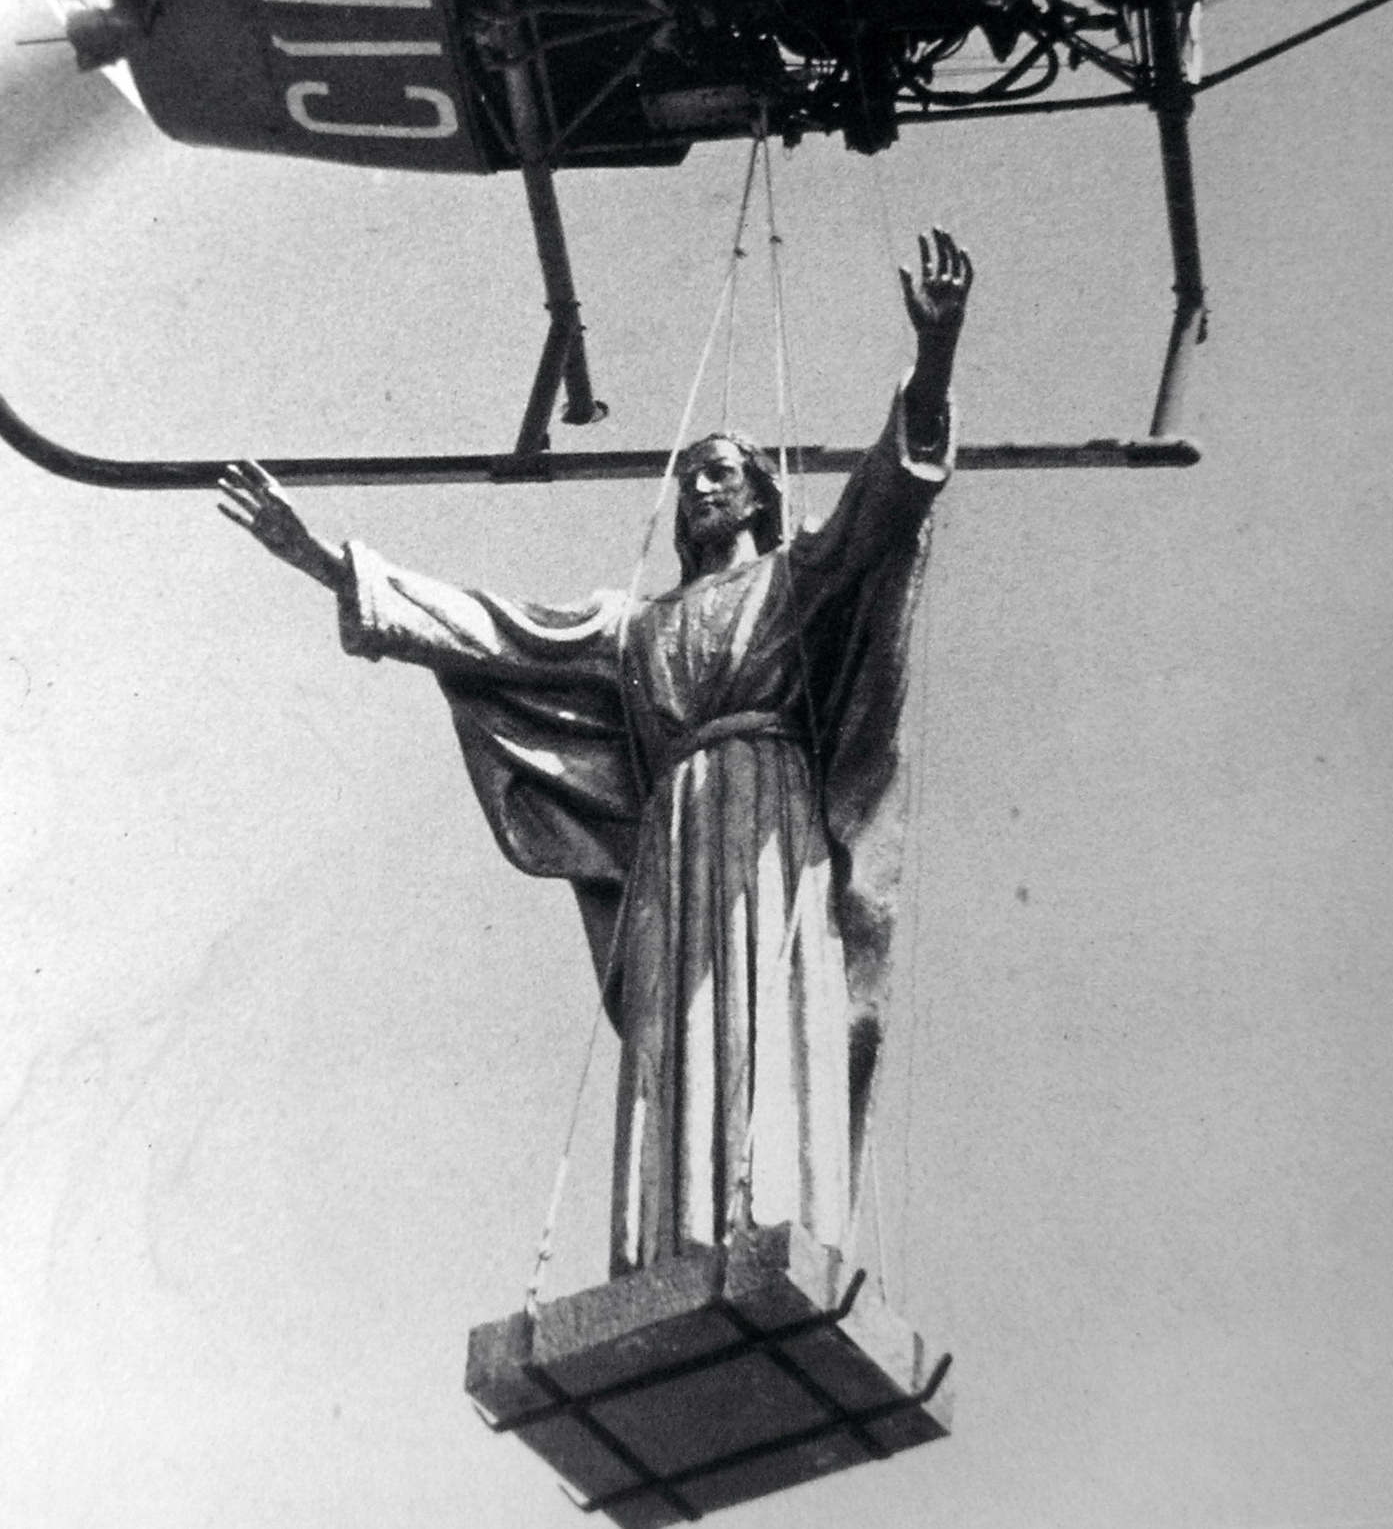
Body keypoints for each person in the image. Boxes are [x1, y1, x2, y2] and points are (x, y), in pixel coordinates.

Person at [219, 229, 971, 1276]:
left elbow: (886, 498)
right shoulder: (632, 626)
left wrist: (934, 355)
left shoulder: (794, 578)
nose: (701, 490)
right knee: (676, 1030)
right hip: (675, 834)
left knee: (771, 1011)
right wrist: (319, 560)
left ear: (758, 492)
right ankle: (673, 1239)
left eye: (720, 474)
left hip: (769, 820)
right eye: (690, 479)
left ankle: (778, 1218)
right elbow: (493, 631)